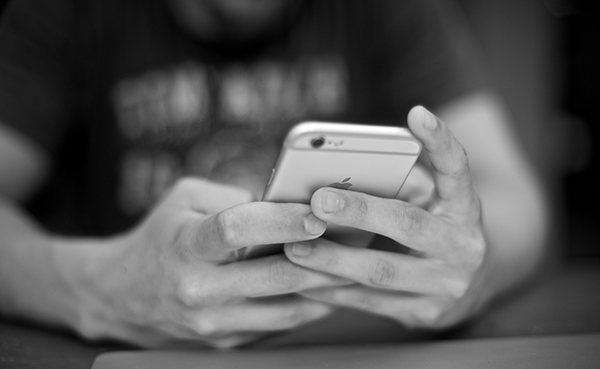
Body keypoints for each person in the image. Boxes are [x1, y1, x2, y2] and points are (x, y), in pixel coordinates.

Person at [0, 0, 548, 348]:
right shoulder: (63, 12)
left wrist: (477, 265)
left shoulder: (391, 10)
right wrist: (99, 288)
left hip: (355, 348)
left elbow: (515, 197)